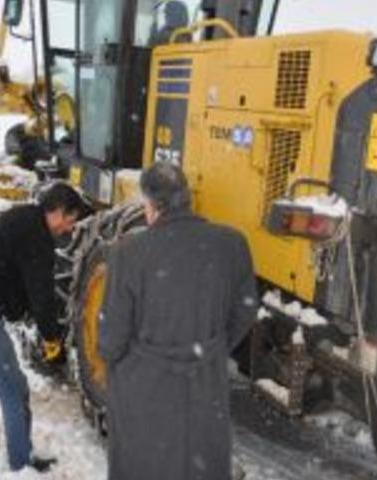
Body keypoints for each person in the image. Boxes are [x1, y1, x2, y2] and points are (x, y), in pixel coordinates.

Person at [99, 162, 258, 480]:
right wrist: (212, 347)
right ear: (187, 198)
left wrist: (120, 360)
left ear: (150, 204)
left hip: (143, 390)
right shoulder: (231, 244)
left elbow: (111, 337)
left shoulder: (127, 253)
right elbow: (246, 309)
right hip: (204, 386)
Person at [0, 182, 87, 473]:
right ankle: (22, 467)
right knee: (15, 391)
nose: (68, 229)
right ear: (57, 212)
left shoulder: (23, 216)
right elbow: (41, 295)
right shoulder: (38, 239)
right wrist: (51, 339)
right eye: (69, 221)